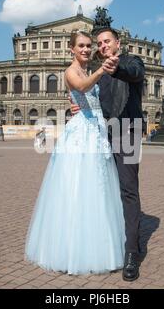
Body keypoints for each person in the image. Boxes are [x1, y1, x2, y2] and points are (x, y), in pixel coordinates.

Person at [25, 31, 125, 275]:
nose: (86, 49)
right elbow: (80, 87)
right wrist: (102, 70)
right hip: (81, 134)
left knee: (98, 189)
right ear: (71, 49)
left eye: (88, 46)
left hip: (96, 131)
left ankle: (99, 245)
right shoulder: (71, 71)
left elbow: (88, 94)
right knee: (77, 187)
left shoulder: (87, 71)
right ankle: (72, 250)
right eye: (81, 46)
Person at [70, 27, 145, 281]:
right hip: (104, 134)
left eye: (107, 41)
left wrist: (116, 68)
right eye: (99, 43)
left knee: (128, 189)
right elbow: (96, 103)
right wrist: (80, 106)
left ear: (118, 42)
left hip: (128, 132)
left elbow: (134, 74)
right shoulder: (98, 75)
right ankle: (113, 241)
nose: (102, 46)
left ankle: (132, 253)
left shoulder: (132, 62)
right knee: (106, 188)